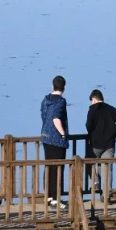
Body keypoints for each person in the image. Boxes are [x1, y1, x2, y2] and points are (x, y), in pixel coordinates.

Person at [85, 89, 116, 200]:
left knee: (89, 161)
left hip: (95, 144)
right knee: (107, 168)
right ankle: (106, 195)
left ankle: (95, 183)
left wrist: (92, 134)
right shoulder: (111, 109)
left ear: (93, 99)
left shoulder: (92, 110)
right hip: (109, 144)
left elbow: (88, 125)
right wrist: (114, 132)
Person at [40, 76, 69, 207]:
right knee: (58, 168)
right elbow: (56, 118)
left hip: (46, 136)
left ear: (52, 86)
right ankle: (56, 199)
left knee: (49, 167)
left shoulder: (45, 100)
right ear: (64, 88)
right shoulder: (61, 102)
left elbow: (44, 116)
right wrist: (63, 134)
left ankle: (49, 196)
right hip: (56, 139)